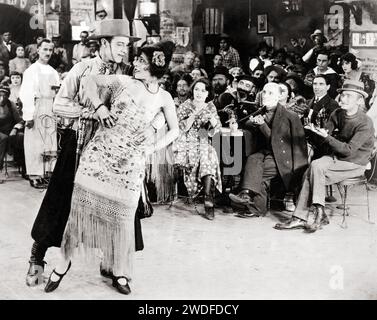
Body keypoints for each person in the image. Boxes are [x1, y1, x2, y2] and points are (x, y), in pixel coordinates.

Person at [44, 40, 179, 295]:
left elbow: (175, 129)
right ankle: (63, 262)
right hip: (98, 158)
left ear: (154, 68)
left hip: (129, 166)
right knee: (79, 214)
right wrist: (101, 106)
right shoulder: (125, 82)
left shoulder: (164, 97)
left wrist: (151, 148)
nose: (135, 63)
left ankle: (119, 270)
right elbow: (90, 82)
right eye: (137, 59)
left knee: (123, 220)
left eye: (142, 61)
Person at [24, 19, 149, 288]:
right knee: (61, 200)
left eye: (126, 46)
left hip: (116, 152)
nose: (123, 51)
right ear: (103, 43)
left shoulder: (129, 73)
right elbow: (59, 104)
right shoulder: (82, 69)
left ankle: (115, 264)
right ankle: (37, 256)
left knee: (121, 205)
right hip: (80, 143)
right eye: (118, 45)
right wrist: (90, 113)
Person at [275, 80, 375, 232]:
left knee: (315, 167)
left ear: (360, 100)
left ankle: (304, 216)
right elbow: (325, 133)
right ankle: (313, 215)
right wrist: (315, 130)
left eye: (349, 96)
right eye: (342, 95)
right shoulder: (338, 113)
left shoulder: (365, 122)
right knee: (311, 171)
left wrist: (326, 137)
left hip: (355, 163)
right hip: (336, 158)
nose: (343, 99)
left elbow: (348, 150)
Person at [229, 82, 308, 218]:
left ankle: (250, 199)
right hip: (265, 153)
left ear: (279, 97)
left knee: (257, 172)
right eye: (264, 92)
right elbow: (247, 124)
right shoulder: (261, 112)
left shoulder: (290, 116)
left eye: (270, 93)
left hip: (283, 158)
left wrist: (262, 125)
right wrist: (241, 125)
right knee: (252, 159)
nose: (266, 95)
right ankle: (248, 198)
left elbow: (292, 144)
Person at [173, 78, 222, 220]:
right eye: (196, 89)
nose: (199, 93)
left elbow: (216, 130)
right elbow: (177, 129)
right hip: (185, 142)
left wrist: (213, 121)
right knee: (205, 154)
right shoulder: (185, 106)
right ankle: (209, 198)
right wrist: (190, 120)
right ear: (192, 91)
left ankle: (208, 199)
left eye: (203, 90)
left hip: (203, 141)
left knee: (209, 153)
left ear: (207, 93)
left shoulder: (210, 107)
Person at [19, 39, 60, 189]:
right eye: (45, 49)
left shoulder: (53, 72)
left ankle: (47, 173)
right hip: (36, 108)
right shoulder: (31, 71)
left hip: (51, 109)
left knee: (49, 142)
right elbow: (26, 94)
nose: (48, 53)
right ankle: (35, 175)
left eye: (50, 50)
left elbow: (57, 93)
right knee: (35, 143)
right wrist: (28, 116)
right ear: (38, 50)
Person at [0, 85, 24, 183]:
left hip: (9, 132)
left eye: (4, 95)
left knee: (20, 137)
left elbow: (20, 121)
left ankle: (24, 167)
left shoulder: (11, 105)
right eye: (0, 95)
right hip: (2, 135)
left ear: (8, 96)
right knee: (3, 138)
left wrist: (15, 128)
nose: (1, 98)